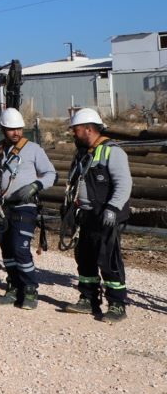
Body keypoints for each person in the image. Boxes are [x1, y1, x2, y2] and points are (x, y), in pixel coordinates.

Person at [61, 108, 132, 322]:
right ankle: (88, 299)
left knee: (108, 260)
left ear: (89, 129)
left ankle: (117, 304)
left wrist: (113, 208)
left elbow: (124, 183)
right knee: (85, 257)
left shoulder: (113, 151)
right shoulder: (84, 152)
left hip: (106, 216)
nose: (73, 133)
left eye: (76, 129)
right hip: (87, 215)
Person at [0, 108, 56, 310]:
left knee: (20, 247)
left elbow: (50, 173)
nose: (16, 133)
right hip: (2, 207)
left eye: (18, 129)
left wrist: (36, 186)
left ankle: (29, 289)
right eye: (11, 129)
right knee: (7, 249)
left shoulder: (33, 149)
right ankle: (13, 287)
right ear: (2, 129)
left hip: (25, 206)